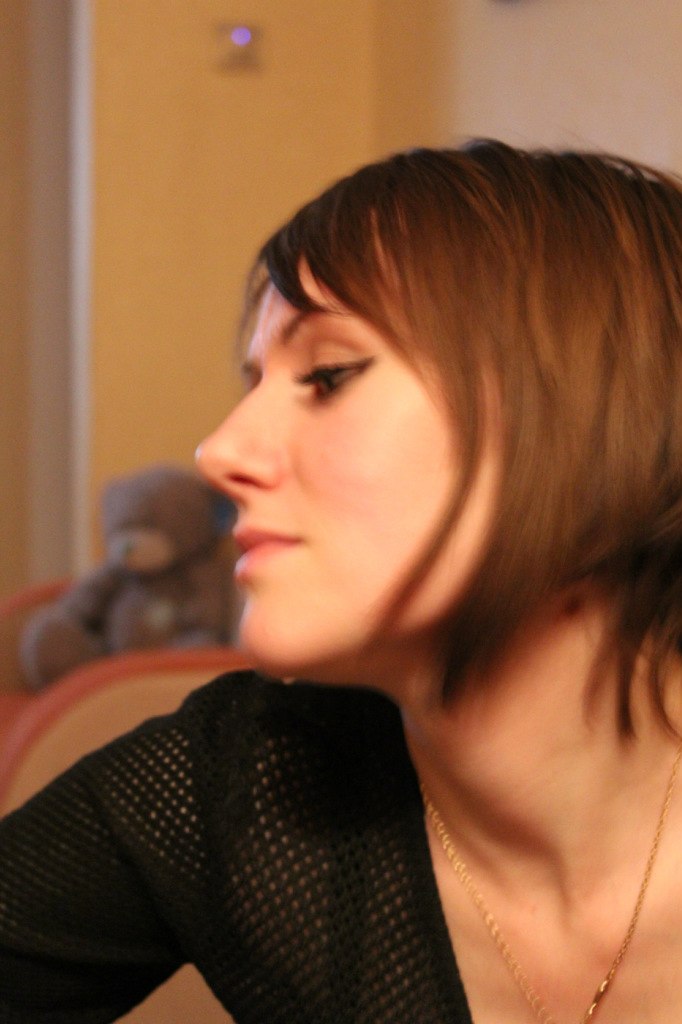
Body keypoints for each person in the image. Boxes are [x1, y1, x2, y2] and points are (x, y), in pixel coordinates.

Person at [2, 139, 682, 1024]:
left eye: (328, 376)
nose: (220, 451)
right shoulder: (245, 785)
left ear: (587, 421)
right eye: (256, 382)